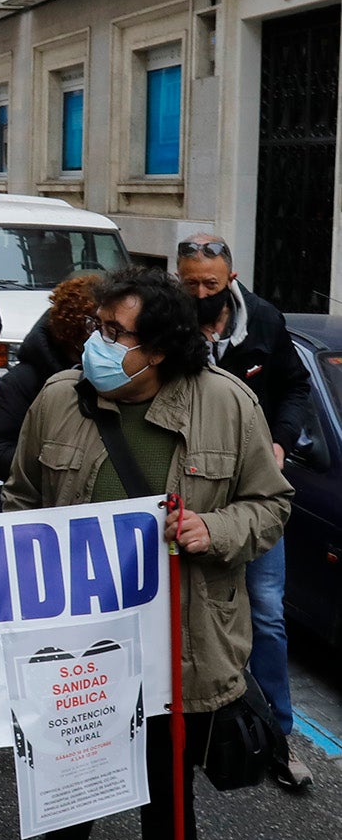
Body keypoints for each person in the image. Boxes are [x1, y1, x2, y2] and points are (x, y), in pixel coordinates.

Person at [1, 267, 292, 840]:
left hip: (181, 645)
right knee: (71, 766)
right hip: (74, 646)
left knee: (168, 795)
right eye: (97, 326)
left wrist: (213, 530)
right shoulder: (58, 399)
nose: (96, 342)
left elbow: (270, 503)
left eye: (115, 333)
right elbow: (21, 498)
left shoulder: (228, 405)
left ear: (160, 349)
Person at [176, 234, 314, 790]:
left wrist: (280, 441)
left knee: (267, 611)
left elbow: (297, 389)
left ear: (230, 276)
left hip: (253, 494)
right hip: (190, 493)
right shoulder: (165, 324)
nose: (202, 293)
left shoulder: (265, 321)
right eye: (191, 284)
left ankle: (278, 737)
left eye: (211, 283)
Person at [0, 274, 99, 482]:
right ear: (73, 332)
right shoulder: (24, 380)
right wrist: (52, 468)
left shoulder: (115, 375)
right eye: (96, 328)